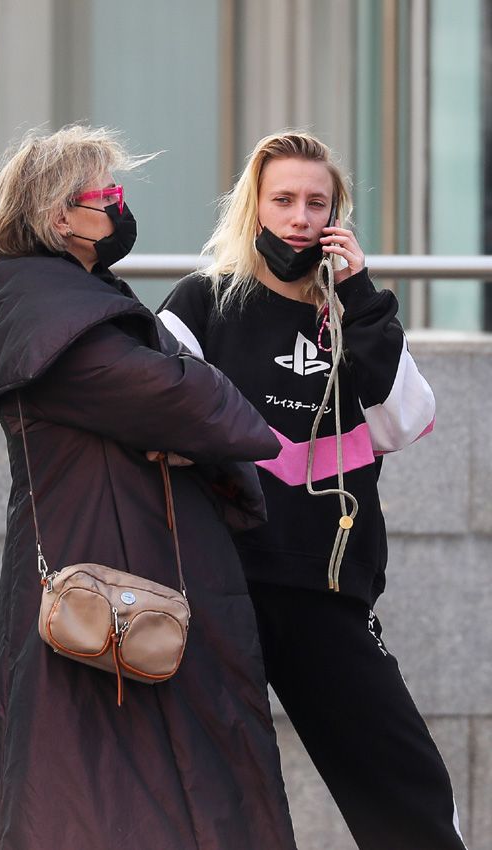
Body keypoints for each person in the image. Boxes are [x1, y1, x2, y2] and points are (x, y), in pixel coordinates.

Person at [0, 125, 298, 850]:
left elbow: (184, 403)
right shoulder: (46, 310)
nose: (120, 208)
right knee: (102, 789)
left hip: (117, 573)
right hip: (107, 583)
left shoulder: (62, 300)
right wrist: (193, 408)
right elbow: (199, 405)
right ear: (61, 217)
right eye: (106, 195)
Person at [158, 131, 468, 850]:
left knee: (407, 788)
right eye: (284, 200)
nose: (300, 217)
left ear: (337, 216)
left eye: (316, 202)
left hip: (325, 594)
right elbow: (156, 412)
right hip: (217, 587)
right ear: (254, 209)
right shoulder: (203, 302)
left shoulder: (353, 319)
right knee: (210, 798)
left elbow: (406, 422)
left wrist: (358, 298)